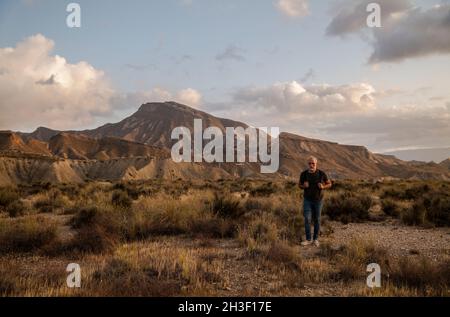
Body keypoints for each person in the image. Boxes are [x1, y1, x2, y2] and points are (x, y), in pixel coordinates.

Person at [299, 156, 332, 247]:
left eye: (313, 163)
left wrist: (323, 187)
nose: (311, 165)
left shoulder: (321, 174)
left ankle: (316, 239)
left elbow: (329, 184)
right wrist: (303, 186)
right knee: (307, 219)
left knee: (317, 219)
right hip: (307, 200)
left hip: (318, 200)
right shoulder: (304, 174)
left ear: (316, 164)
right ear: (308, 164)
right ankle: (308, 239)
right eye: (309, 163)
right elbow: (299, 185)